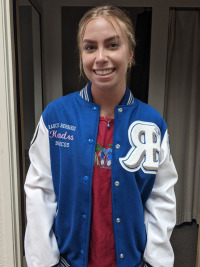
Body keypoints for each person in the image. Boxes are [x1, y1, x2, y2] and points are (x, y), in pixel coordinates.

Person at [24, 5, 178, 267]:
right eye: (90, 47)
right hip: (68, 261)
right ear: (82, 54)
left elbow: (160, 199)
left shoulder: (152, 124)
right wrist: (43, 262)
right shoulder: (56, 117)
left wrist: (156, 262)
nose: (101, 57)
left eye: (112, 45)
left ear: (130, 53)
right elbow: (40, 193)